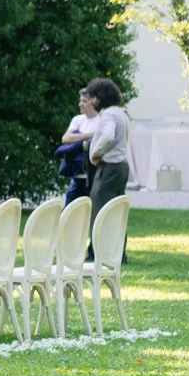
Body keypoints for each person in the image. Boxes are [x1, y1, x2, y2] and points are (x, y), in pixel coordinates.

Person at [81, 77, 130, 261]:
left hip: (108, 167)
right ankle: (119, 252)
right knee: (118, 211)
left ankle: (97, 252)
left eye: (93, 97)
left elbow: (108, 136)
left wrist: (95, 153)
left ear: (100, 97)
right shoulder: (121, 113)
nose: (91, 101)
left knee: (99, 209)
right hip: (121, 166)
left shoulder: (108, 115)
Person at [53, 101, 95, 205]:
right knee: (70, 205)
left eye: (84, 101)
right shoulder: (78, 119)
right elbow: (66, 138)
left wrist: (76, 138)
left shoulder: (101, 120)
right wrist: (88, 136)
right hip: (77, 171)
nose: (80, 104)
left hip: (92, 171)